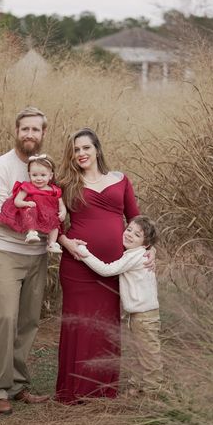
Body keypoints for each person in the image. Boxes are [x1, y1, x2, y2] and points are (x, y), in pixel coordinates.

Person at [55, 127, 155, 404]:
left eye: (86, 147)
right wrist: (67, 243)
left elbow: (137, 219)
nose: (81, 154)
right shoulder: (65, 184)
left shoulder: (121, 180)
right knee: (79, 323)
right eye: (76, 150)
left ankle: (103, 389)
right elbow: (52, 224)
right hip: (77, 265)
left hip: (114, 266)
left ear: (97, 149)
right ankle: (73, 390)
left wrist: (151, 248)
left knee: (105, 324)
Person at [0, 106, 50, 414]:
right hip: (7, 254)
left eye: (35, 129)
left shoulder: (46, 166)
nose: (30, 134)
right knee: (6, 318)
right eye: (25, 128)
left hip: (38, 256)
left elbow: (56, 205)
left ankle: (19, 384)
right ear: (16, 130)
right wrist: (32, 224)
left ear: (43, 134)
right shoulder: (1, 166)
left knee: (28, 321)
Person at [77, 215, 163, 395]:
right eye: (129, 230)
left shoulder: (136, 256)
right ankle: (138, 385)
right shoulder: (136, 253)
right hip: (139, 314)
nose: (130, 235)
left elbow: (107, 270)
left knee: (148, 352)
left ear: (145, 244)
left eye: (137, 235)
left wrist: (84, 253)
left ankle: (153, 390)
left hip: (145, 315)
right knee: (139, 349)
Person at [0, 154, 66, 253]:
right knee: (29, 212)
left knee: (55, 224)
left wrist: (63, 212)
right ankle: (31, 233)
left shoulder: (54, 190)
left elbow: (61, 204)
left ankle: (51, 243)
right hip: (33, 211)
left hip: (48, 215)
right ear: (29, 174)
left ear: (50, 176)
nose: (39, 178)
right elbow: (17, 201)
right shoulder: (27, 187)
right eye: (34, 175)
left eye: (43, 175)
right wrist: (26, 203)